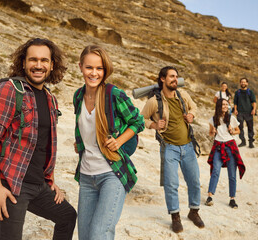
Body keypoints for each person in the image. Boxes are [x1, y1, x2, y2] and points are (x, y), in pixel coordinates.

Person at [0, 38, 77, 240]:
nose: (38, 65)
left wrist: (50, 180)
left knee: (67, 216)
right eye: (33, 60)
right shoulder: (10, 89)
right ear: (23, 63)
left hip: (37, 184)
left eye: (44, 60)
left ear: (52, 65)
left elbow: (42, 144)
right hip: (9, 183)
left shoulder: (50, 99)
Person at [73, 45, 144, 240]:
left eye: (99, 69)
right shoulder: (78, 96)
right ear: (80, 67)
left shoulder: (113, 94)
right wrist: (80, 143)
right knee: (85, 236)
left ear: (105, 70)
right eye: (89, 68)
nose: (94, 73)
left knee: (99, 234)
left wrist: (119, 141)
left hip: (112, 174)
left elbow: (138, 121)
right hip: (86, 177)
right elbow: (84, 127)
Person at [141, 66, 204, 233]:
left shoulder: (183, 95)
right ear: (162, 79)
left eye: (176, 76)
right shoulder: (154, 102)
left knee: (194, 181)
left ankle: (194, 212)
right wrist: (154, 124)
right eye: (171, 76)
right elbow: (141, 119)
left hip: (188, 146)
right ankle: (175, 217)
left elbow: (194, 108)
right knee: (171, 184)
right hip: (169, 148)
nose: (175, 79)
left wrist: (192, 115)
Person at [205, 99, 246, 209]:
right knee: (215, 171)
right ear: (219, 106)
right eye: (223, 104)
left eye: (226, 104)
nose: (225, 106)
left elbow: (238, 131)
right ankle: (210, 196)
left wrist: (232, 131)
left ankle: (232, 199)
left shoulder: (231, 118)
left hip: (230, 147)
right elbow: (210, 133)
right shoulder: (213, 120)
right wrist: (212, 132)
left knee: (232, 174)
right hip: (218, 146)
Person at [233, 77, 257, 148]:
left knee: (250, 128)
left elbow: (254, 102)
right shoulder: (237, 92)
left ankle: (250, 142)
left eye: (244, 82)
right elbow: (235, 102)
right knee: (240, 127)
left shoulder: (250, 92)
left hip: (249, 112)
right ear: (240, 83)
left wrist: (254, 110)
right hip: (240, 112)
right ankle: (243, 141)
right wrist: (235, 110)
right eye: (242, 82)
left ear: (247, 83)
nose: (243, 83)